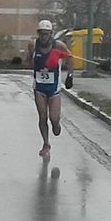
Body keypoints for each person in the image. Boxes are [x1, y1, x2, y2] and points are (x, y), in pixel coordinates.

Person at [26, 19, 74, 157]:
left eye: (46, 34)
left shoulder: (58, 45)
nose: (43, 37)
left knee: (54, 118)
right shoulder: (32, 45)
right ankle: (46, 144)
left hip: (54, 89)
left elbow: (70, 58)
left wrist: (70, 76)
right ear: (38, 34)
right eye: (41, 34)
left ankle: (56, 125)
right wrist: (32, 61)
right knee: (42, 117)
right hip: (39, 87)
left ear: (51, 34)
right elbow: (28, 60)